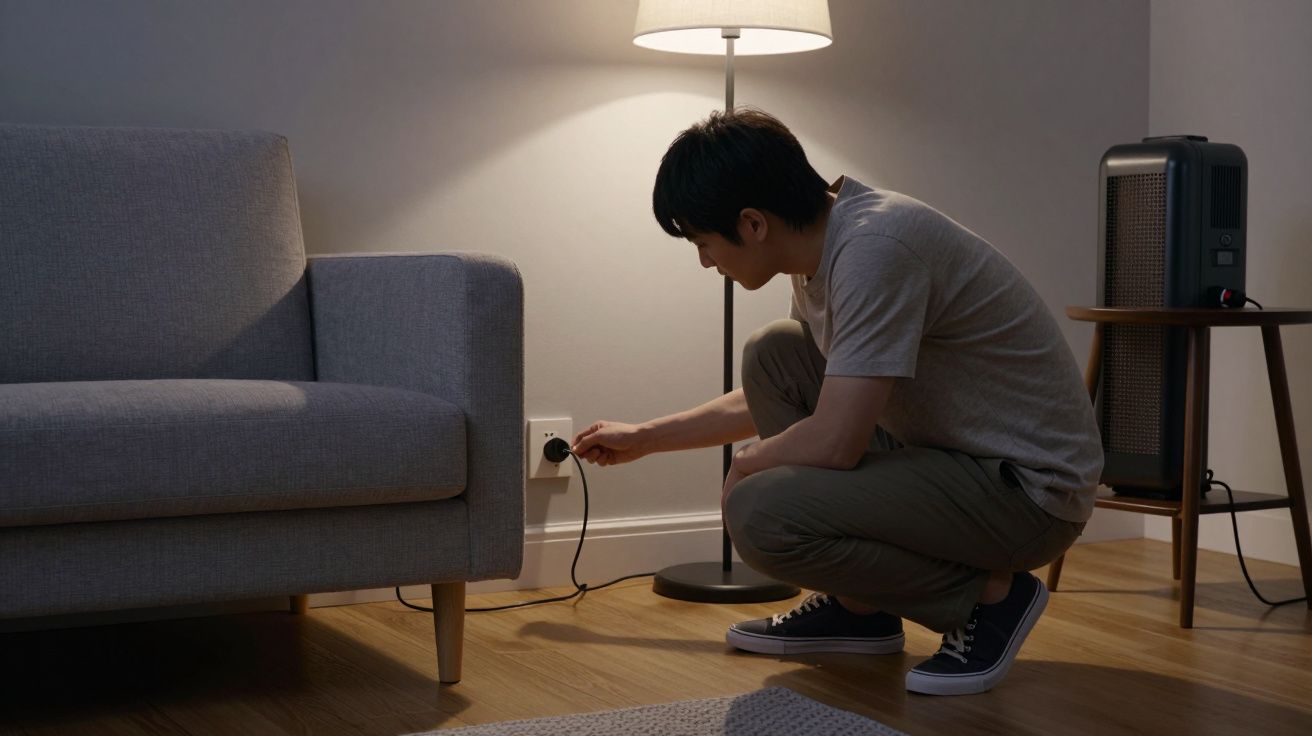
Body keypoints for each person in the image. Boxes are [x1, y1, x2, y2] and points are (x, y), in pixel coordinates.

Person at [571, 108, 1102, 696]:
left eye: (703, 242)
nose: (704, 261)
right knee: (774, 353)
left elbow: (835, 440)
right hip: (952, 461)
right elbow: (807, 397)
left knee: (760, 514)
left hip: (1027, 492)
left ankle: (996, 597)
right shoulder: (820, 248)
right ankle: (860, 611)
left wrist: (747, 465)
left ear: (752, 224)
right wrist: (645, 437)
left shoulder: (875, 250)